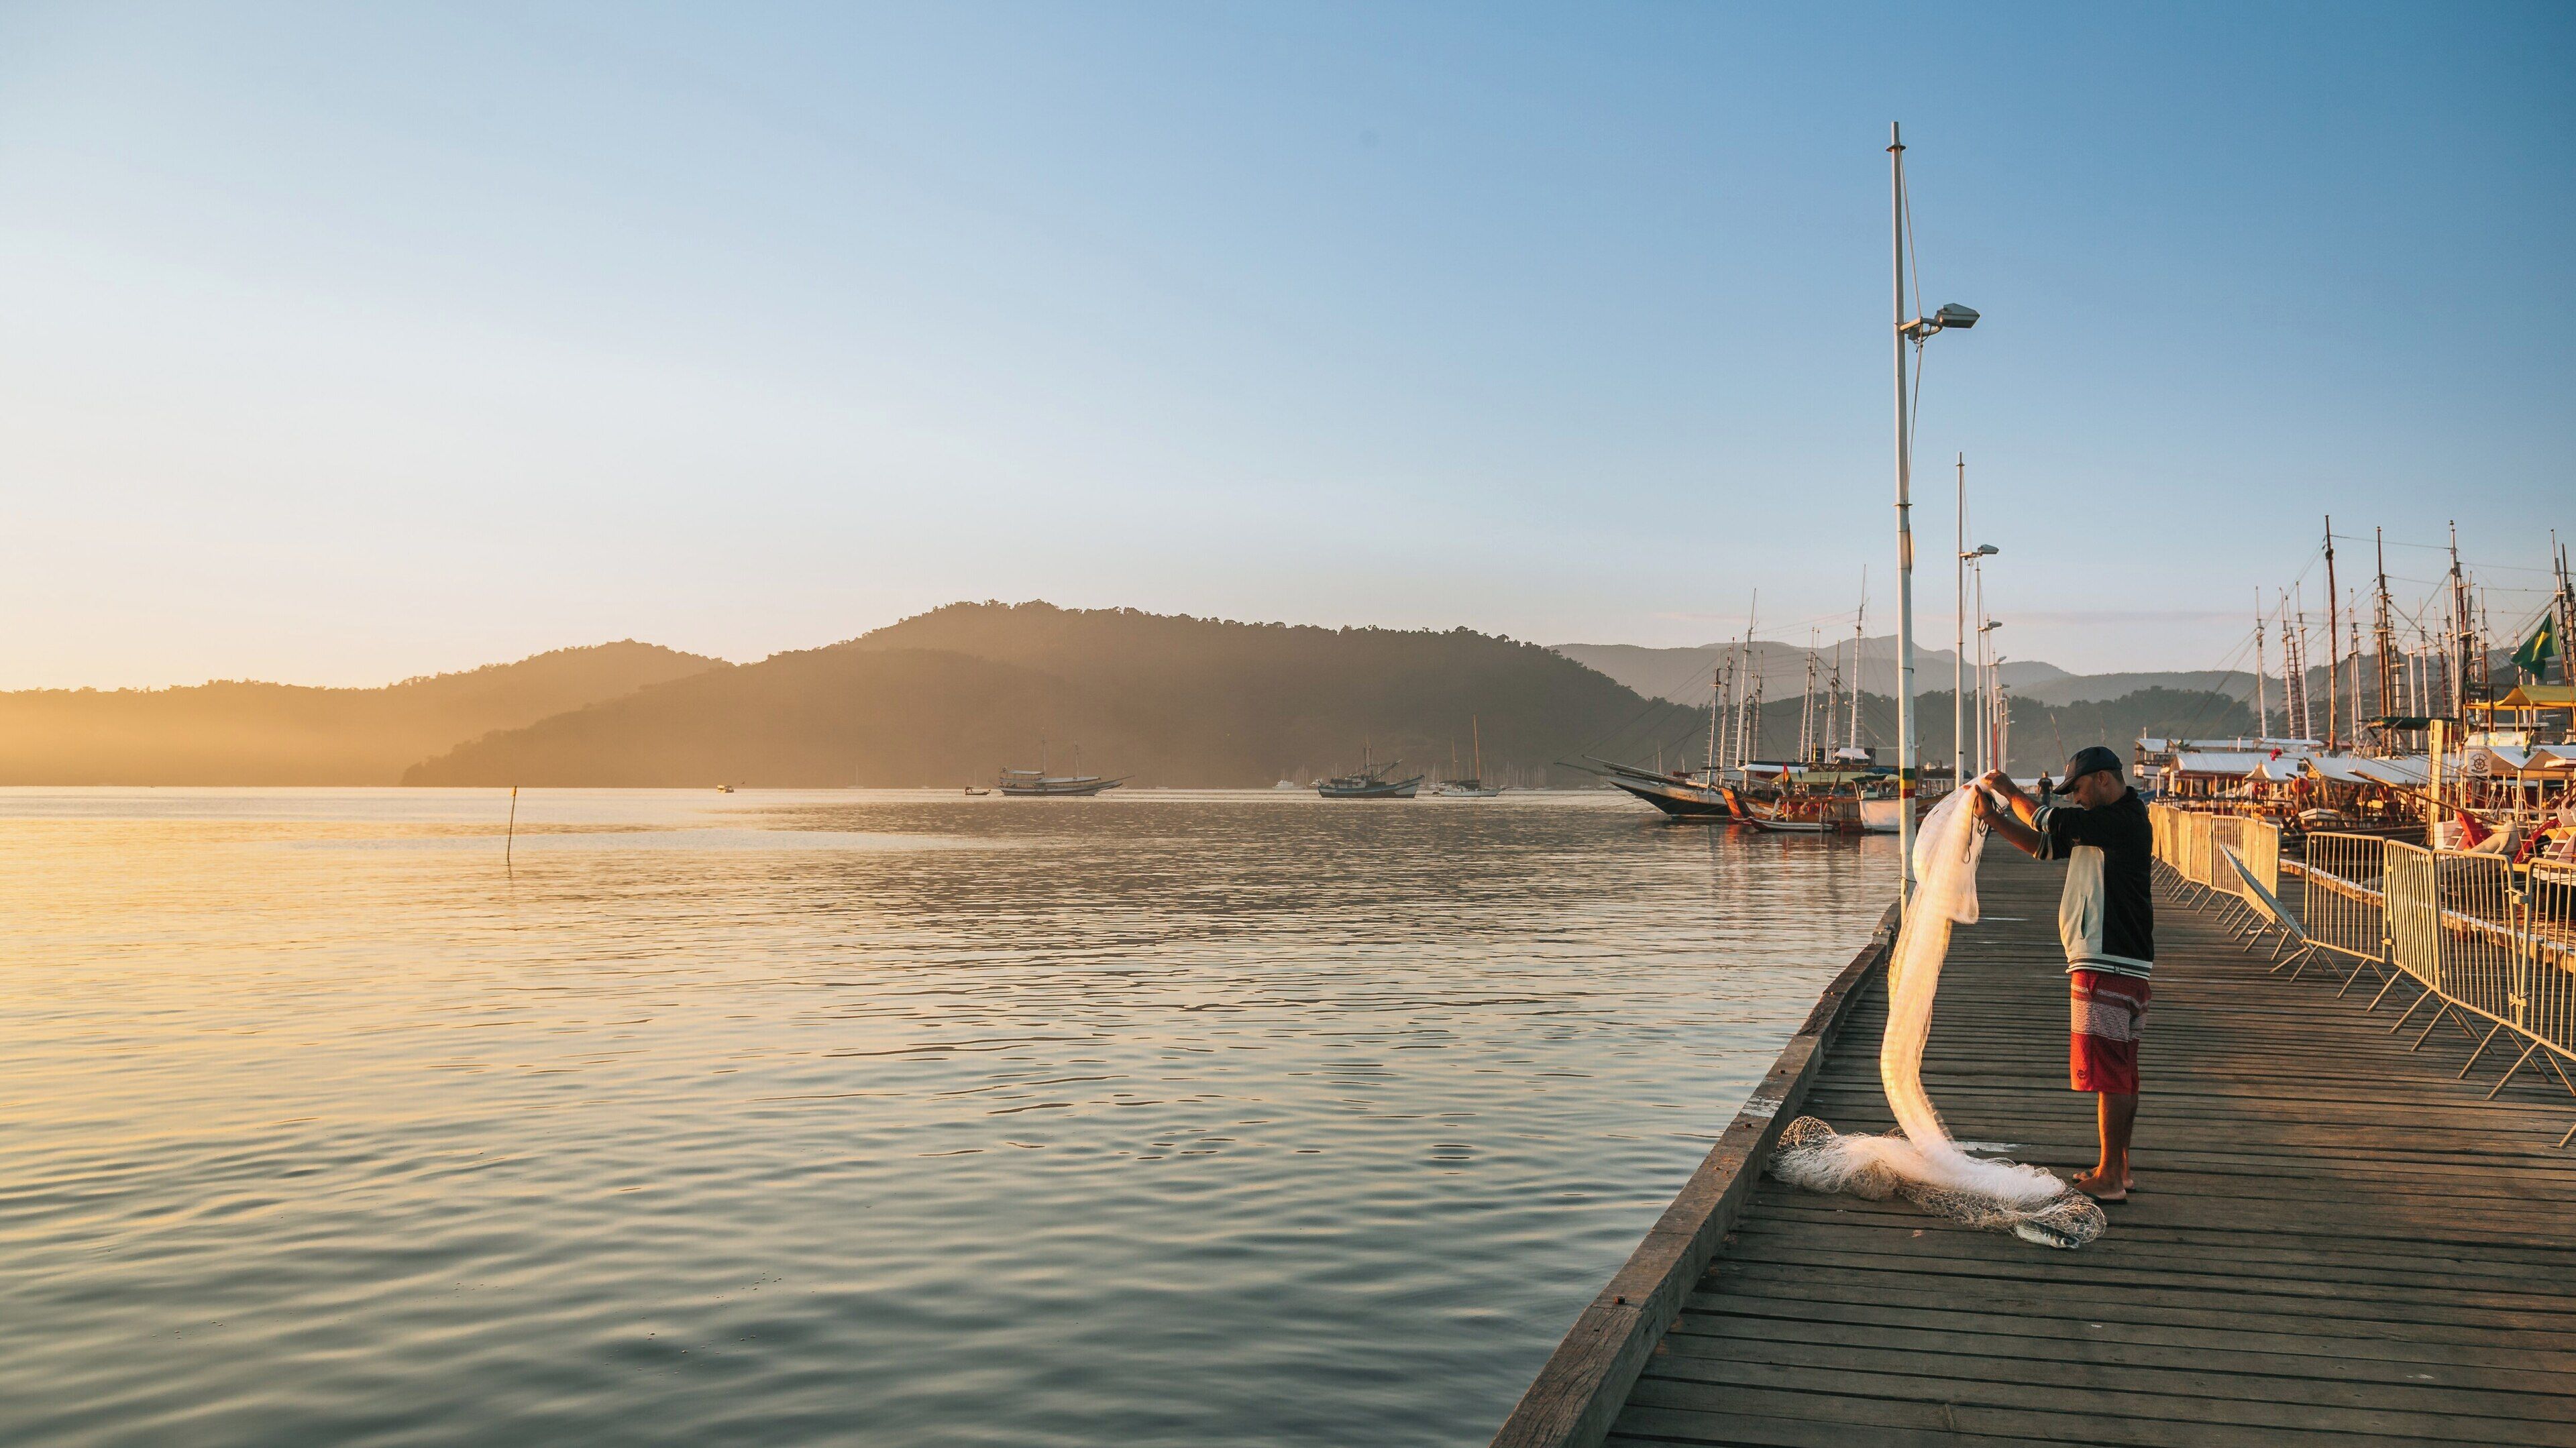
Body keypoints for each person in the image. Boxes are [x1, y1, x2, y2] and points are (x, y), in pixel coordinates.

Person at [1967, 745, 2153, 1201]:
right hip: (2128, 963)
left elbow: (2049, 821)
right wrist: (1994, 820)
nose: (2077, 799)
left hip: (2104, 960)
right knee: (2123, 1071)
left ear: (2104, 780)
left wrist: (2010, 791)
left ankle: (2110, 1177)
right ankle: (2119, 1166)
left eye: (2080, 788)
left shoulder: (2118, 820)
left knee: (2109, 1072)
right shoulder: (2116, 822)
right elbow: (2045, 845)